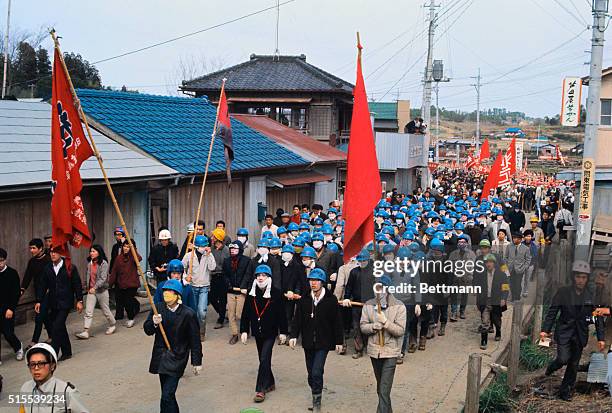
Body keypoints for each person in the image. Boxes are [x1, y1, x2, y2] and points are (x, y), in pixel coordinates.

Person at [541, 260, 605, 401]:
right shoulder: (563, 292)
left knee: (574, 364)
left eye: (583, 277)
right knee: (563, 358)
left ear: (587, 279)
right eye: (578, 277)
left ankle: (565, 392)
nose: (580, 280)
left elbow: (598, 317)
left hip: (580, 334)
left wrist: (601, 338)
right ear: (573, 277)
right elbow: (553, 311)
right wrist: (545, 330)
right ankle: (552, 367)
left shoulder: (591, 296)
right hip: (564, 331)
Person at [144, 279, 203, 413]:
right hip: (161, 357)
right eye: (165, 291)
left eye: (170, 291)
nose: (166, 294)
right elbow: (148, 331)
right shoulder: (157, 308)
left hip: (177, 357)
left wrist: (197, 361)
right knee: (167, 395)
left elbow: (195, 341)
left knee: (167, 395)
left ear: (178, 295)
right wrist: (153, 323)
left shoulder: (188, 314)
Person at [289, 268, 343, 412]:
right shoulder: (304, 299)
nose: (313, 283)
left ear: (323, 282)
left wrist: (339, 341)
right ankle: (316, 388)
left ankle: (316, 402)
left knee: (317, 371)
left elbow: (337, 322)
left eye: (317, 280)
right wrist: (293, 335)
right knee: (311, 374)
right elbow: (297, 319)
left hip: (324, 342)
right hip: (308, 342)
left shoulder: (331, 300)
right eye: (311, 280)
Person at [240, 264, 288, 403]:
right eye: (258, 275)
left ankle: (260, 389)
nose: (260, 278)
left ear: (269, 277)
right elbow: (245, 313)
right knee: (263, 358)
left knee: (264, 359)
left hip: (270, 332)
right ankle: (271, 383)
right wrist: (244, 330)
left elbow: (282, 315)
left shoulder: (276, 293)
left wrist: (283, 332)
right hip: (257, 331)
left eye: (264, 275)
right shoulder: (252, 292)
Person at [360, 275, 406, 413]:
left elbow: (400, 331)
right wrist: (373, 326)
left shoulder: (399, 306)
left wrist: (386, 323)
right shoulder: (368, 304)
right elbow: (363, 326)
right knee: (381, 388)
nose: (378, 292)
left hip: (391, 351)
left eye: (381, 288)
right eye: (376, 288)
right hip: (374, 351)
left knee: (384, 389)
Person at [36, 247, 84, 361]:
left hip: (65, 302)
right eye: (51, 252)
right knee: (60, 327)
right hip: (53, 302)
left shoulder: (69, 267)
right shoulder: (47, 268)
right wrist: (39, 300)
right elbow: (43, 285)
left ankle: (53, 355)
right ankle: (67, 352)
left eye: (55, 252)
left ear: (61, 253)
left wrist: (79, 300)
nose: (53, 254)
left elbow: (77, 284)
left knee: (56, 327)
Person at [19, 343, 89, 412]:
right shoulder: (25, 388)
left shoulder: (66, 392)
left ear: (52, 366)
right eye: (32, 364)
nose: (36, 368)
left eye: (41, 364)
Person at [75, 245, 116, 339]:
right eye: (91, 251)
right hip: (91, 291)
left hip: (102, 291)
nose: (91, 253)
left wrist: (95, 287)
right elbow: (88, 276)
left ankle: (112, 324)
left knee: (105, 310)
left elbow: (103, 278)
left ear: (99, 252)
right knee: (88, 311)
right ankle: (86, 331)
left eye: (93, 251)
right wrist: (86, 286)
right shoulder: (89, 263)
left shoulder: (104, 263)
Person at [181, 235, 216, 341]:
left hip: (204, 287)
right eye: (201, 246)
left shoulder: (208, 255)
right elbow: (182, 268)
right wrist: (185, 277)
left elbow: (212, 268)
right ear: (196, 246)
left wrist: (209, 255)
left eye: (205, 246)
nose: (203, 248)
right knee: (192, 311)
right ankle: (192, 332)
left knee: (202, 312)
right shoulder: (188, 256)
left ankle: (201, 331)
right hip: (192, 286)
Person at [342, 249, 375, 358]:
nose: (362, 263)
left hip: (370, 305)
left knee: (369, 327)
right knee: (357, 327)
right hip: (356, 304)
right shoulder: (354, 272)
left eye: (364, 261)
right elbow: (349, 287)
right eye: (360, 261)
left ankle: (370, 347)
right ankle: (358, 349)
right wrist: (346, 298)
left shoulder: (374, 271)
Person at [20, 239, 52, 349]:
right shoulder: (32, 262)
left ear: (41, 249)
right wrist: (22, 289)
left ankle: (34, 341)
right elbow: (28, 276)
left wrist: (49, 289)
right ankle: (52, 336)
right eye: (30, 248)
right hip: (38, 292)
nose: (31, 250)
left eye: (33, 248)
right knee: (45, 316)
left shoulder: (48, 260)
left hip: (48, 292)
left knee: (39, 316)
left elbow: (53, 277)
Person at [473, 254, 508, 349]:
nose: (488, 264)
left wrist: (503, 298)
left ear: (494, 263)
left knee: (496, 320)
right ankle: (483, 340)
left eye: (490, 262)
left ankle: (498, 331)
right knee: (485, 321)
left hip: (496, 300)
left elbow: (505, 288)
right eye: (487, 262)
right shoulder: (481, 274)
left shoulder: (501, 275)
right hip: (485, 300)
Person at [109, 240, 142, 328]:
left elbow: (139, 259)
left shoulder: (133, 257)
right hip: (121, 284)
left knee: (128, 301)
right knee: (122, 301)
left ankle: (131, 318)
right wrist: (109, 284)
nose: (126, 248)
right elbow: (114, 272)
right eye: (124, 246)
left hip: (132, 284)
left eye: (128, 247)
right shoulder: (118, 258)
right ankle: (135, 305)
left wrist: (133, 249)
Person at [223, 241, 250, 345]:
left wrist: (243, 286)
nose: (232, 250)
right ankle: (235, 334)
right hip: (230, 292)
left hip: (242, 292)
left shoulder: (246, 261)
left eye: (235, 249)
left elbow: (248, 274)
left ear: (240, 250)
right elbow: (224, 274)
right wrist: (228, 284)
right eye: (231, 249)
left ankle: (245, 329)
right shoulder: (226, 261)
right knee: (231, 314)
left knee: (239, 314)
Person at [0, 248, 24, 360]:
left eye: (1, 261)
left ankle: (18, 347)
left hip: (7, 309)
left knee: (8, 333)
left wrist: (11, 308)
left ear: (5, 260)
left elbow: (15, 294)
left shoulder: (12, 273)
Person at [210, 229, 230, 329]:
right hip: (213, 276)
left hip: (223, 277)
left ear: (218, 238)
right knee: (212, 298)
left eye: (213, 236)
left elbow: (227, 265)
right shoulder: (211, 249)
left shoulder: (226, 250)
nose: (211, 238)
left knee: (222, 299)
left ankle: (221, 319)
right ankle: (221, 313)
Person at [506, 232, 530, 300]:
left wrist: (524, 267)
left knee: (518, 284)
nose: (514, 239)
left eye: (516, 238)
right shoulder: (509, 246)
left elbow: (528, 259)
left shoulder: (525, 248)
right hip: (510, 269)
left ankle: (517, 298)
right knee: (511, 284)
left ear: (520, 239)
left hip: (520, 269)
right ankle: (513, 297)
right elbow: (506, 257)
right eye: (513, 238)